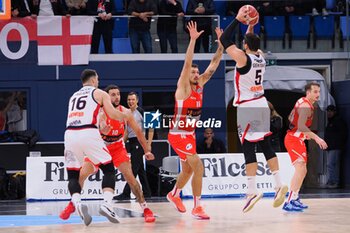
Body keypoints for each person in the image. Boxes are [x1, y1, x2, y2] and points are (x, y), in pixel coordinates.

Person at [219, 8, 288, 213]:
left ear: (245, 45)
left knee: (248, 148)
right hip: (261, 103)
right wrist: (250, 26)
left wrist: (237, 20)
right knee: (265, 144)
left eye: (244, 43)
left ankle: (252, 191)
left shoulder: (243, 58)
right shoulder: (260, 57)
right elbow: (252, 43)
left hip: (248, 106)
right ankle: (278, 185)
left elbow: (224, 39)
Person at [60, 84, 156, 223]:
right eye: (113, 94)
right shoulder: (99, 112)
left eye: (118, 94)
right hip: (99, 147)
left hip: (117, 147)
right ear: (106, 96)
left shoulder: (125, 112)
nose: (117, 97)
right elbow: (99, 124)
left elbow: (139, 132)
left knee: (131, 179)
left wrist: (147, 150)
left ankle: (145, 208)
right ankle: (73, 204)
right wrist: (102, 128)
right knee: (81, 175)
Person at [166, 21, 223, 220]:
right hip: (177, 135)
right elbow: (186, 64)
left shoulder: (200, 85)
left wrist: (221, 44)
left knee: (189, 170)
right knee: (198, 165)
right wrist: (192, 41)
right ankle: (198, 207)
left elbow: (214, 65)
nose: (196, 74)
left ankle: (174, 194)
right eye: (193, 72)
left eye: (197, 72)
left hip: (189, 134)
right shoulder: (183, 87)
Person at [63, 69, 129, 226]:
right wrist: (126, 116)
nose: (98, 82)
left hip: (70, 134)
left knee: (73, 175)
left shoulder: (73, 96)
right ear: (93, 80)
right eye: (97, 79)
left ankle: (78, 204)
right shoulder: (100, 93)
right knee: (108, 169)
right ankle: (106, 204)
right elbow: (113, 114)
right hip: (88, 132)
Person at [283, 82, 328, 212]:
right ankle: (289, 200)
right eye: (315, 92)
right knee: (300, 169)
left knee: (303, 171)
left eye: (319, 91)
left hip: (298, 139)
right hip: (293, 139)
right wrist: (317, 138)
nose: (318, 94)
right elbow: (301, 126)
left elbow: (293, 120)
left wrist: (304, 134)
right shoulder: (305, 106)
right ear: (308, 92)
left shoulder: (303, 102)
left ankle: (295, 198)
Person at [114, 92, 154, 200]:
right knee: (140, 169)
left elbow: (151, 128)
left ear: (137, 101)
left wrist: (148, 144)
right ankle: (147, 193)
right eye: (128, 100)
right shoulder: (126, 113)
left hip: (139, 142)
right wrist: (121, 142)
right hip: (131, 142)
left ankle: (126, 193)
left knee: (133, 169)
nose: (130, 102)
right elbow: (127, 131)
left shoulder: (142, 111)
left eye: (133, 99)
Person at [324, 104, 347, 188]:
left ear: (335, 112)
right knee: (331, 164)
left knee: (332, 164)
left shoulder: (338, 121)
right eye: (328, 111)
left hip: (335, 147)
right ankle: (332, 181)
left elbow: (343, 134)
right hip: (331, 147)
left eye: (331, 111)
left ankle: (334, 182)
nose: (329, 113)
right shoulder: (331, 121)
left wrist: (338, 144)